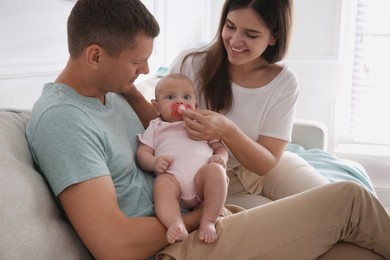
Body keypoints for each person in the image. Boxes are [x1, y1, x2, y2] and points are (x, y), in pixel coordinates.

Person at [25, 0, 390, 259]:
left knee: (356, 252)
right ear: (94, 56)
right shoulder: (63, 121)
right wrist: (203, 216)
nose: (147, 70)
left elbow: (159, 122)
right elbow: (114, 246)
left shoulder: (111, 93)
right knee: (349, 200)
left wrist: (131, 84)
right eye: (138, 62)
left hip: (201, 209)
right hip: (179, 242)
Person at [167, 0, 331, 210]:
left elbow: (266, 162)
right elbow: (157, 117)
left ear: (274, 37)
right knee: (300, 224)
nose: (235, 41)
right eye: (230, 26)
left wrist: (227, 130)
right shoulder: (190, 64)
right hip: (218, 180)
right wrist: (132, 92)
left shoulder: (284, 81)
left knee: (343, 201)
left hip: (268, 169)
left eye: (251, 34)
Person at [136, 73, 228, 244]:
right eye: (170, 97)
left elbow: (219, 147)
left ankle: (208, 221)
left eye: (186, 97)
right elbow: (142, 153)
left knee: (216, 172)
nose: (180, 102)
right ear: (156, 108)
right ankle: (175, 223)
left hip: (202, 179)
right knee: (162, 185)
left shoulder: (201, 124)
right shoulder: (156, 126)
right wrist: (154, 162)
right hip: (174, 180)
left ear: (195, 105)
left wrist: (220, 158)